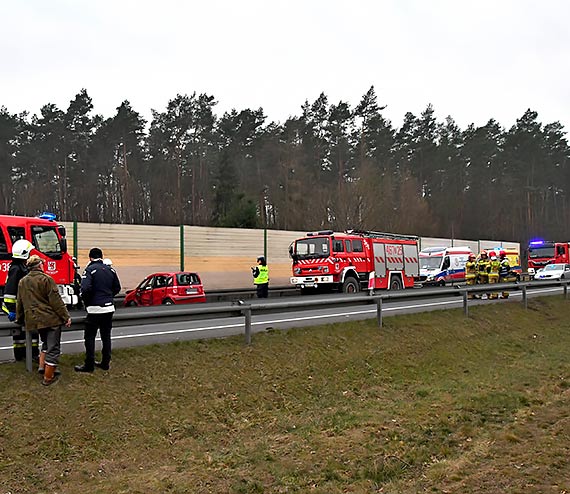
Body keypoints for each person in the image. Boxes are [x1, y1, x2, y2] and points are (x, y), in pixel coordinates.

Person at [15, 255, 72, 385]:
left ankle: (43, 367)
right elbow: (56, 301)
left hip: (34, 320)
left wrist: (19, 318)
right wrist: (66, 316)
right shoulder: (46, 279)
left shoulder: (22, 281)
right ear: (40, 265)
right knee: (53, 347)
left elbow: (20, 302)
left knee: (45, 343)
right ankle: (48, 377)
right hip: (50, 319)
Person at [75, 247, 121, 373]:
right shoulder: (110, 269)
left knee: (89, 337)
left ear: (90, 257)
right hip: (109, 308)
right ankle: (105, 363)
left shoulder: (89, 270)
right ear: (101, 256)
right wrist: (108, 296)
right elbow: (117, 287)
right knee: (106, 337)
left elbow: (85, 288)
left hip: (95, 309)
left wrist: (87, 301)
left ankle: (89, 365)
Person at [1, 239, 39, 361]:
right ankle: (22, 357)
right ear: (24, 254)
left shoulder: (20, 267)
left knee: (31, 334)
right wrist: (12, 310)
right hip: (20, 309)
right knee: (20, 336)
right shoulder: (16, 269)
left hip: (26, 308)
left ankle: (31, 355)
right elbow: (10, 293)